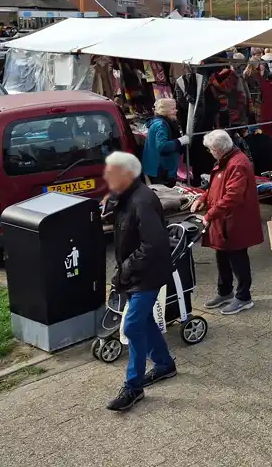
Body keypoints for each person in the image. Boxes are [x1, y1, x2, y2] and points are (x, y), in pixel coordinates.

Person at [104, 152, 175, 412]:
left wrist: (125, 269)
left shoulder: (142, 200)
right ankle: (164, 364)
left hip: (147, 273)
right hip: (135, 272)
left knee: (133, 326)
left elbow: (153, 244)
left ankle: (133, 387)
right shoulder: (126, 197)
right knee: (143, 321)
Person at [192, 129, 263, 315]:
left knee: (237, 258)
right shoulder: (226, 160)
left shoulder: (237, 164)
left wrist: (210, 213)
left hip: (235, 221)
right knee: (222, 256)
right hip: (224, 221)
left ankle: (244, 297)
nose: (209, 153)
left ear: (217, 149)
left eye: (210, 149)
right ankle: (225, 292)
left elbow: (233, 196)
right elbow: (215, 187)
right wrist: (203, 198)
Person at [142, 98, 190, 187]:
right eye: (173, 108)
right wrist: (180, 141)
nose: (176, 111)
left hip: (159, 169)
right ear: (165, 110)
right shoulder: (161, 124)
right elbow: (162, 147)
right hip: (161, 171)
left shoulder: (159, 122)